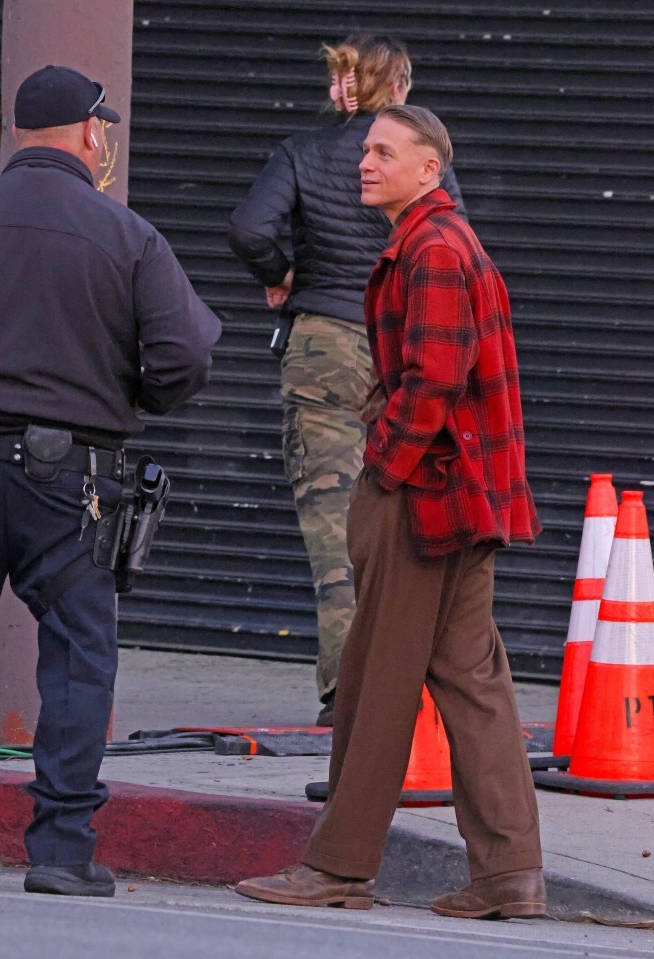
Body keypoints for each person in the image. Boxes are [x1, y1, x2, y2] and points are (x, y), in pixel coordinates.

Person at [234, 104, 546, 920]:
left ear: (427, 169)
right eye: (365, 150)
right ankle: (510, 873)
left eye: (382, 152)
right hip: (462, 495)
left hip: (426, 497)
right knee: (473, 682)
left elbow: (434, 382)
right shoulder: (429, 241)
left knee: (375, 678)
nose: (363, 163)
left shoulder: (434, 249)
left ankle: (338, 866)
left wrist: (383, 469)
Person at [0, 65, 221, 897]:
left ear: (17, 133)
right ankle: (59, 850)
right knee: (81, 657)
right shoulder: (125, 236)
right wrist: (137, 394)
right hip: (70, 476)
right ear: (90, 134)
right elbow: (186, 356)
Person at [228, 35, 467, 725]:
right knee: (408, 516)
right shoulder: (424, 163)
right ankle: (412, 688)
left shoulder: (303, 151)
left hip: (325, 344)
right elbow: (454, 240)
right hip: (403, 345)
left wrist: (282, 275)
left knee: (335, 528)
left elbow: (249, 227)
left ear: (347, 84)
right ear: (400, 89)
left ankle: (348, 698)